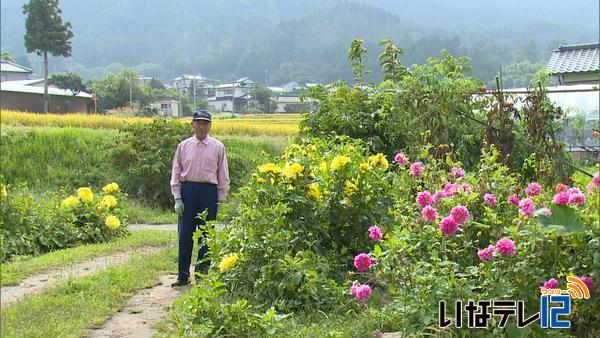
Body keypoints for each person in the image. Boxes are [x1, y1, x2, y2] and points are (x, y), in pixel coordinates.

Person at [170, 109, 230, 286]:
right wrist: (177, 198)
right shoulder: (184, 146)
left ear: (210, 125)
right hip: (188, 191)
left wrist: (220, 199)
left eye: (205, 123)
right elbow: (176, 172)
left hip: (208, 192)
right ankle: (183, 276)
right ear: (193, 125)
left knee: (206, 236)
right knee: (185, 235)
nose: (202, 127)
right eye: (199, 123)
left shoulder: (218, 147)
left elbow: (223, 175)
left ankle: (202, 275)